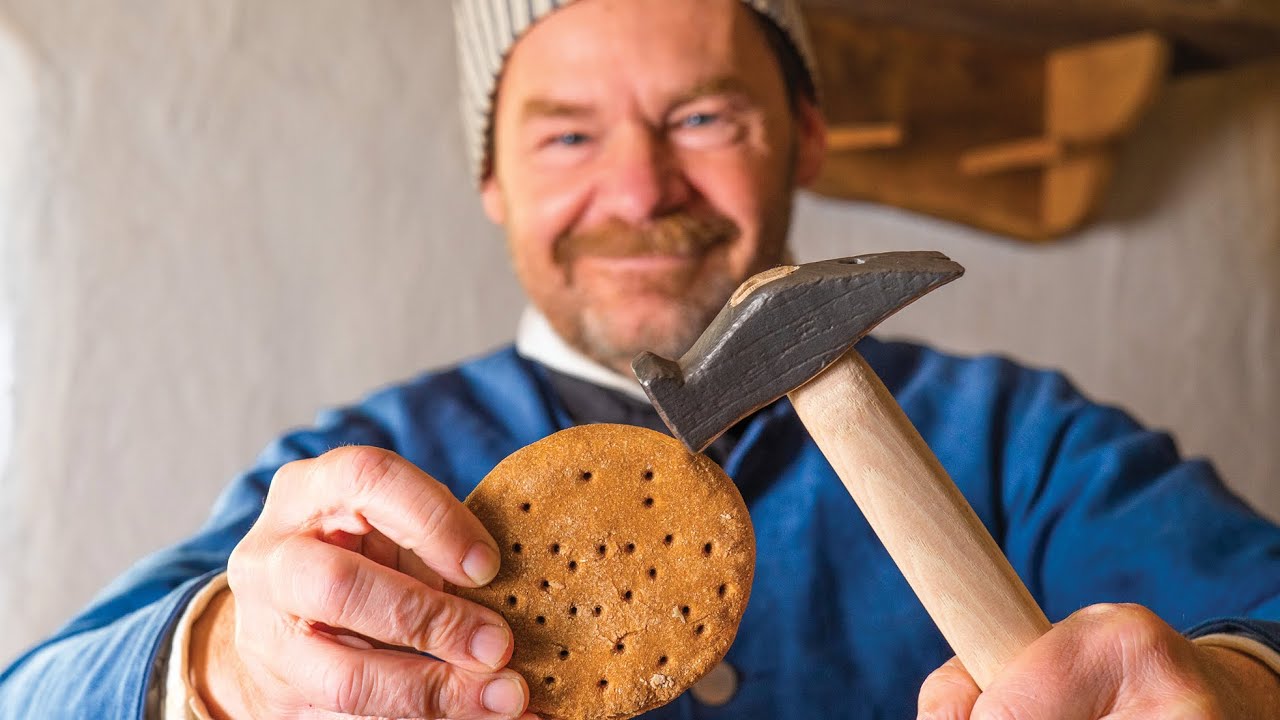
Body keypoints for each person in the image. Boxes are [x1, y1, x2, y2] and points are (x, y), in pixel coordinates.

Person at [3, 0, 1280, 717]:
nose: (638, 186)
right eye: (565, 138)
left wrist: (1230, 688)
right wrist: (228, 665)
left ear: (806, 138)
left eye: (703, 116)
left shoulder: (1015, 442)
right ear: (490, 184)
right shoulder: (350, 501)